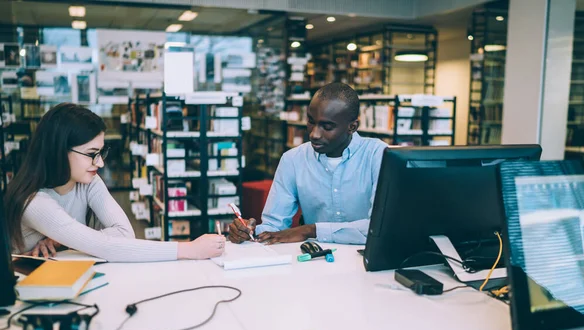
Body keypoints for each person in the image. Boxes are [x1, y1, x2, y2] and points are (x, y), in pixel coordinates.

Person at [5, 103, 224, 262]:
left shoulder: (88, 181)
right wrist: (189, 249)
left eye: (101, 152)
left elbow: (124, 234)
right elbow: (107, 247)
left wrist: (64, 239)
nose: (99, 163)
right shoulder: (34, 202)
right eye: (91, 154)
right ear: (59, 152)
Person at [229, 82, 387, 245]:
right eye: (311, 122)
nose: (314, 134)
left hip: (366, 261)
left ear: (352, 127)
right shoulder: (293, 160)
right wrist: (249, 232)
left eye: (327, 126)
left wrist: (310, 230)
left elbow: (381, 226)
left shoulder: (379, 155)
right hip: (314, 259)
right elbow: (275, 226)